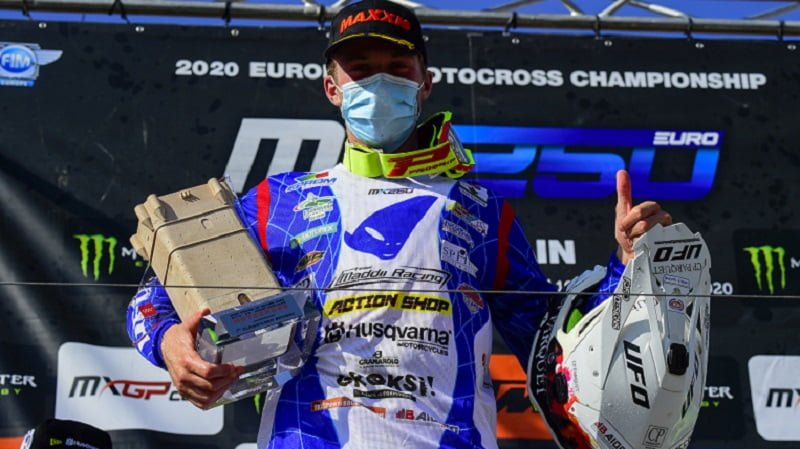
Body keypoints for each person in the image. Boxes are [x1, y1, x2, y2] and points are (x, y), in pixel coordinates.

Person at [126, 0, 673, 447]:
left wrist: (625, 266)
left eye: (397, 68)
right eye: (361, 70)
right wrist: (172, 344)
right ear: (332, 88)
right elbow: (153, 299)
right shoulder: (280, 198)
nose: (380, 82)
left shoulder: (481, 208)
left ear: (424, 83)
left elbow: (551, 344)